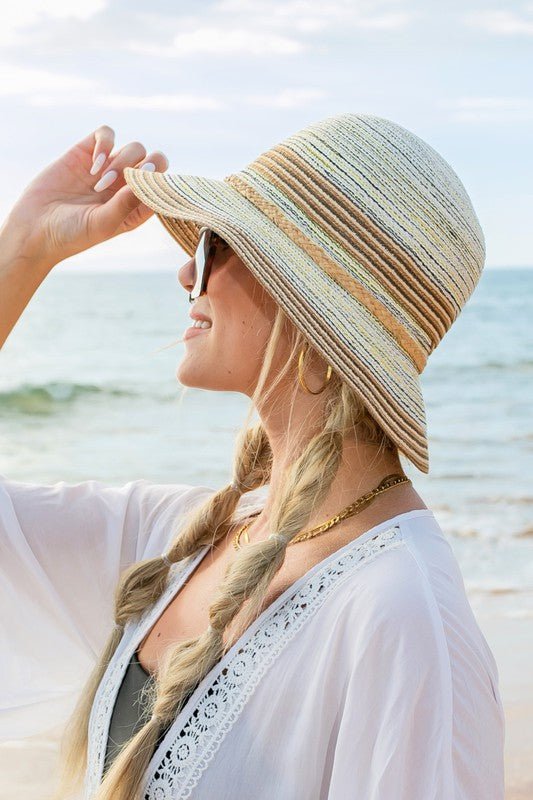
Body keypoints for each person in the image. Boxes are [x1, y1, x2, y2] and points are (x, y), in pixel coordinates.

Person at [0, 116, 505, 800]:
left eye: (214, 244)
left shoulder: (400, 617)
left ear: (305, 295)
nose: (187, 270)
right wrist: (23, 251)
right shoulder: (170, 543)